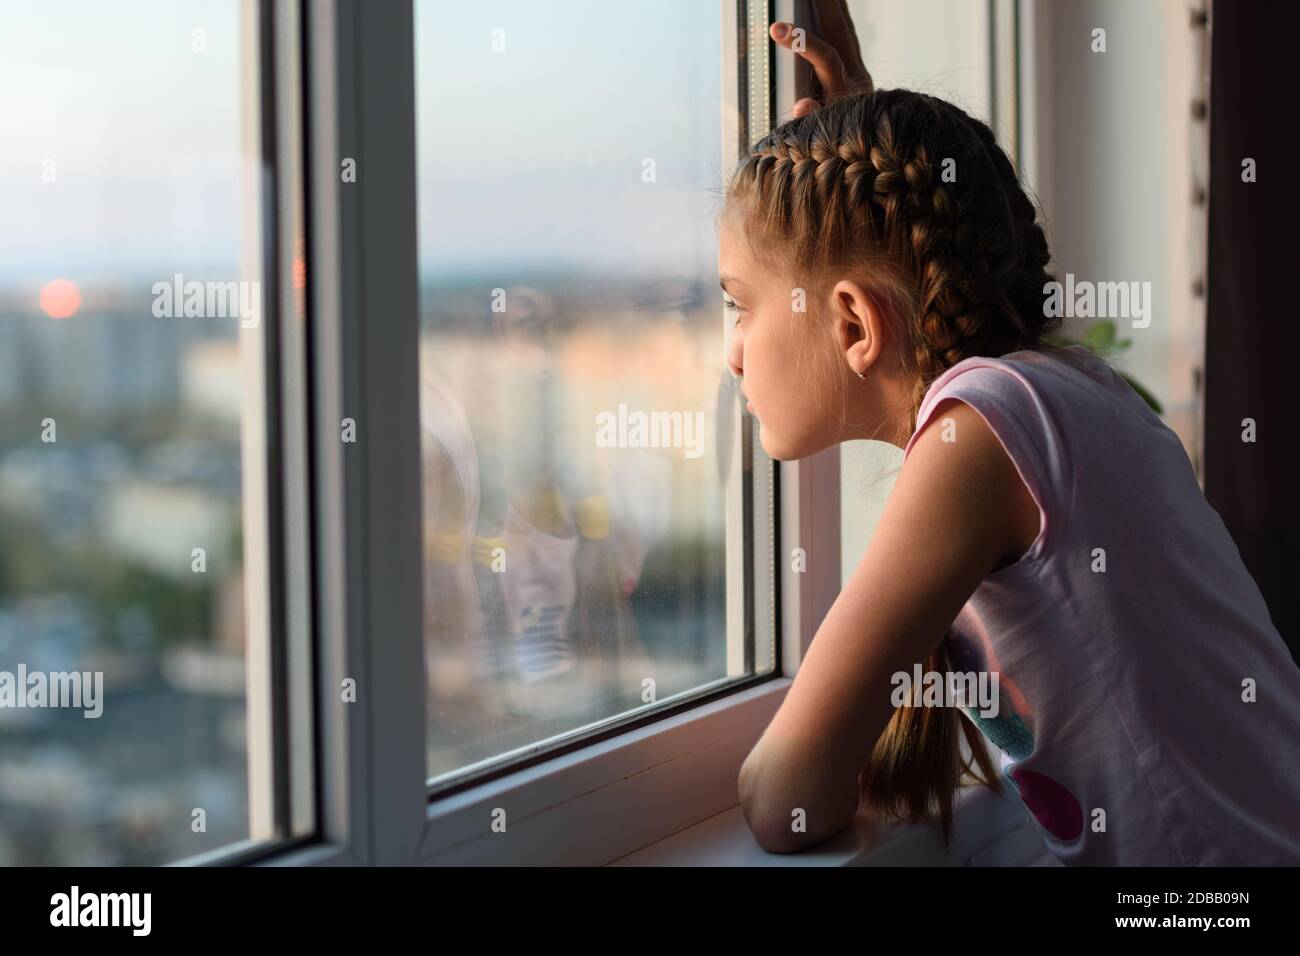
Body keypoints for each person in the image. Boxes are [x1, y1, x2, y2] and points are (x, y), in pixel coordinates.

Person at [730, 9, 1300, 864]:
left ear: (850, 321)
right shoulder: (1065, 388)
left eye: (739, 304)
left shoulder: (980, 439)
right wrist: (859, 132)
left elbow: (784, 802)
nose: (730, 352)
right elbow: (920, 248)